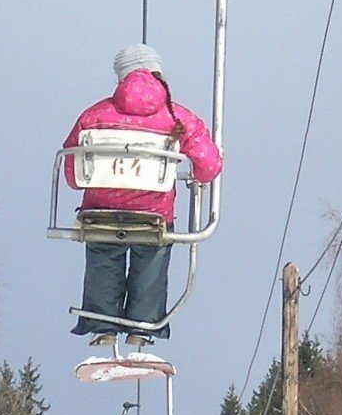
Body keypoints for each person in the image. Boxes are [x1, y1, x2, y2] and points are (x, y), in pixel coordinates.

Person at [62, 44, 222, 347]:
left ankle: (103, 328)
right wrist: (195, 177)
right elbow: (209, 165)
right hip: (153, 214)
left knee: (104, 257)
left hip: (101, 213)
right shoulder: (179, 117)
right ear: (158, 73)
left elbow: (72, 172)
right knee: (151, 259)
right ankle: (142, 329)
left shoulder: (94, 115)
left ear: (120, 77)